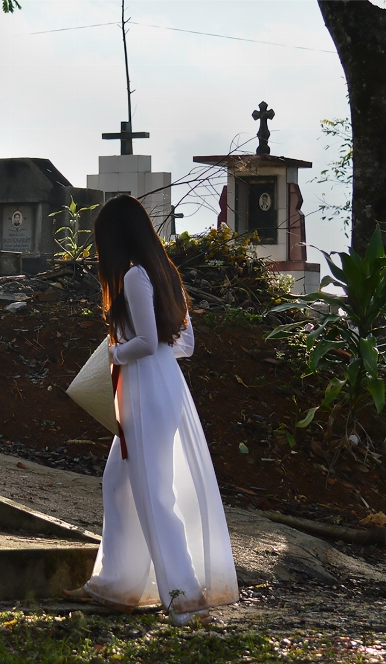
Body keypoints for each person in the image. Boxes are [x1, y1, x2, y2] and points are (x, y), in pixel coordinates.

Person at [64, 195, 238, 626]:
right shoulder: (162, 274)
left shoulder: (136, 278)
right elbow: (184, 344)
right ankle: (116, 585)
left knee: (154, 494)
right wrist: (136, 353)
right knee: (120, 484)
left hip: (145, 388)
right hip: (159, 385)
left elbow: (144, 341)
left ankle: (185, 598)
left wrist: (113, 354)